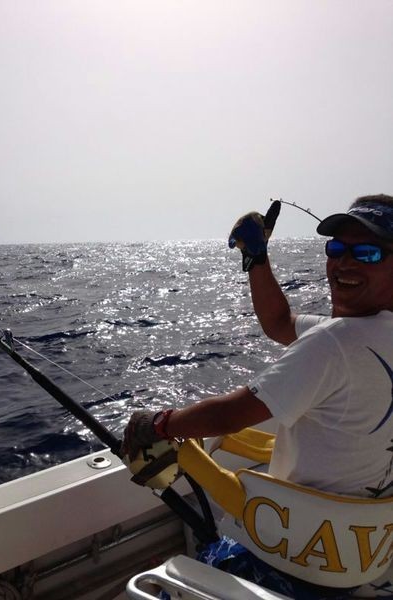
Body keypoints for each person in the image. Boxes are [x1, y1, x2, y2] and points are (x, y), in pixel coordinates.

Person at [122, 194, 393, 597]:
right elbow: (280, 323)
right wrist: (256, 258)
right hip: (365, 564)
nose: (344, 263)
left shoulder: (334, 343)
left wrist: (160, 423)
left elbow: (231, 415)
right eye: (337, 249)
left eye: (368, 253)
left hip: (292, 560)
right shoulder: (365, 333)